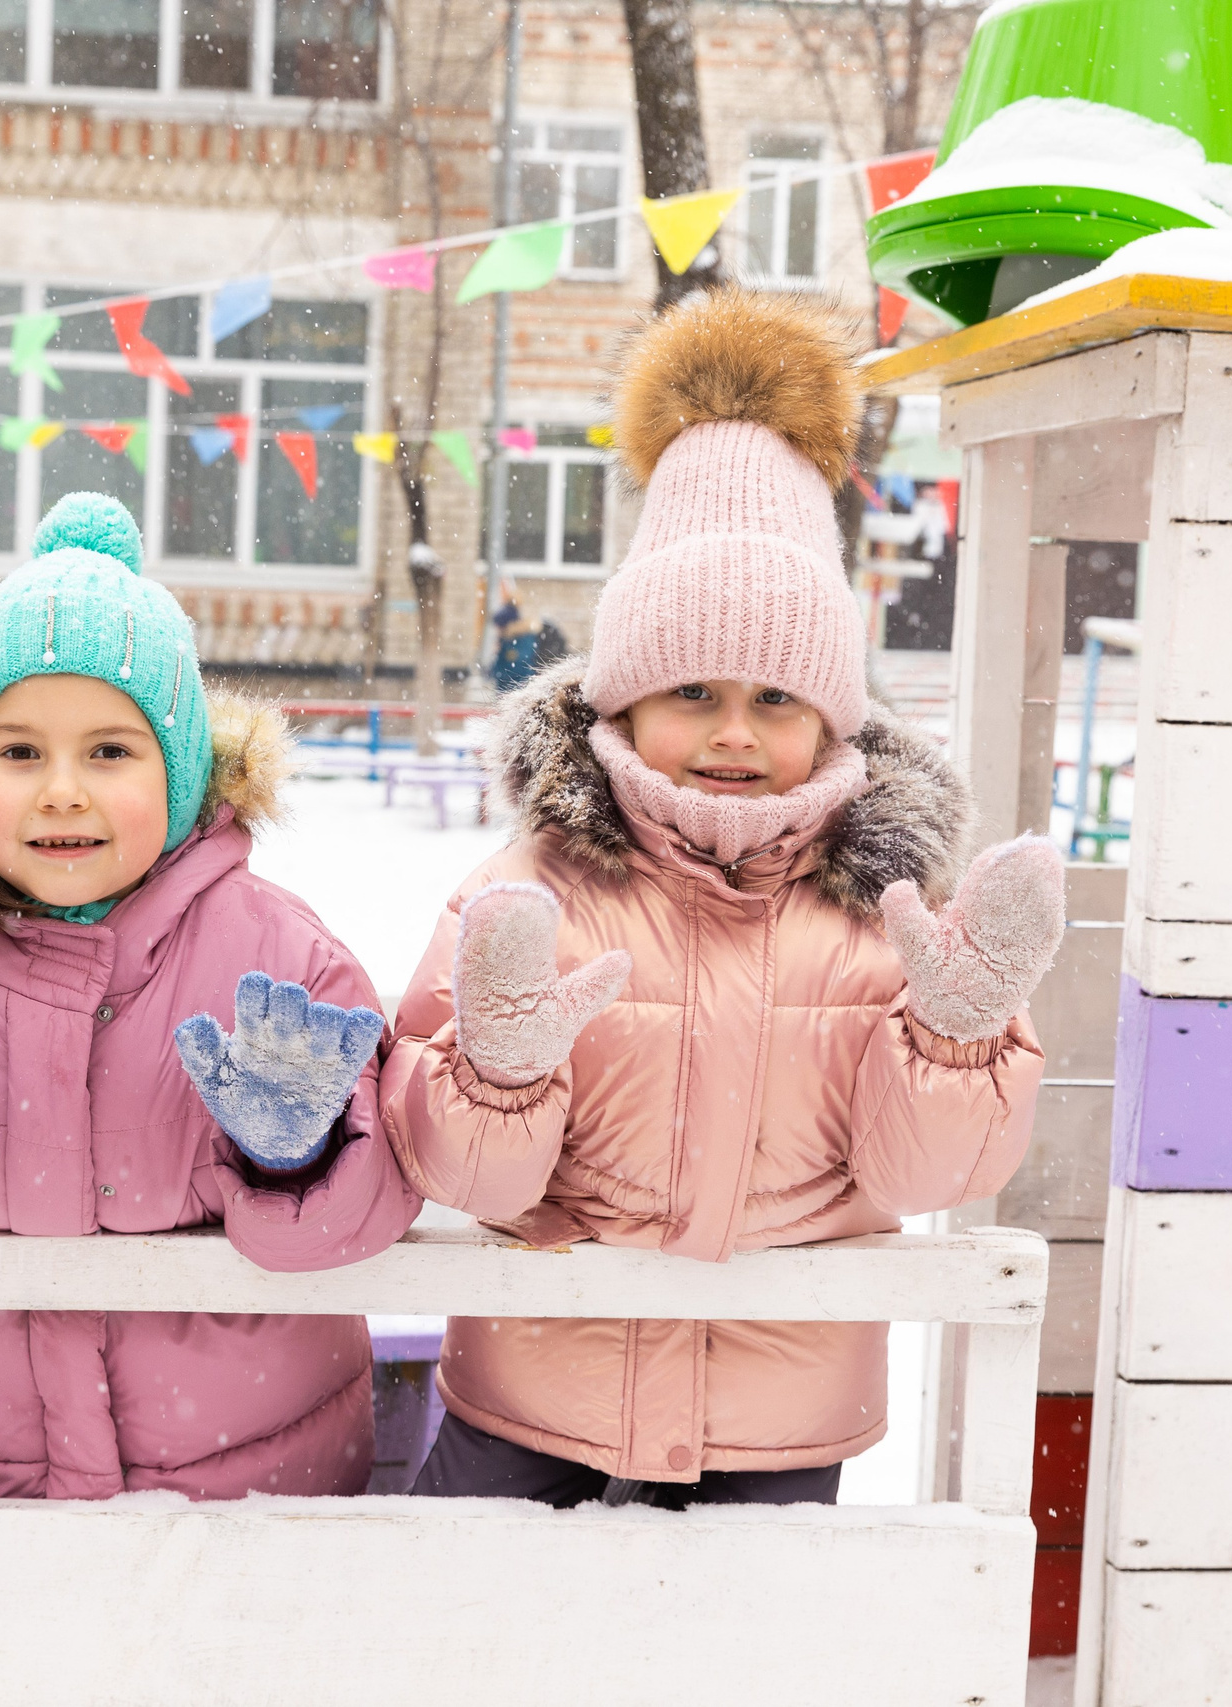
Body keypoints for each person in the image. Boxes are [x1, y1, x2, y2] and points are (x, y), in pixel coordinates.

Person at [382, 290, 1065, 1509]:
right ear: (623, 700)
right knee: (457, 1614)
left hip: (777, 1418)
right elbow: (462, 1177)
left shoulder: (886, 914)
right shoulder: (531, 891)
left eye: (775, 699)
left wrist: (953, 1045)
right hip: (538, 1386)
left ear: (830, 717)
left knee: (747, 1628)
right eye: (692, 691)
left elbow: (922, 1181)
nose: (733, 734)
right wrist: (497, 1080)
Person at [0, 492, 421, 1499]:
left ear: (179, 771)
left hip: (250, 1490)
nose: (61, 789)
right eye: (20, 751)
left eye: (109, 751)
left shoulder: (277, 957)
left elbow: (372, 1207)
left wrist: (300, 1157)